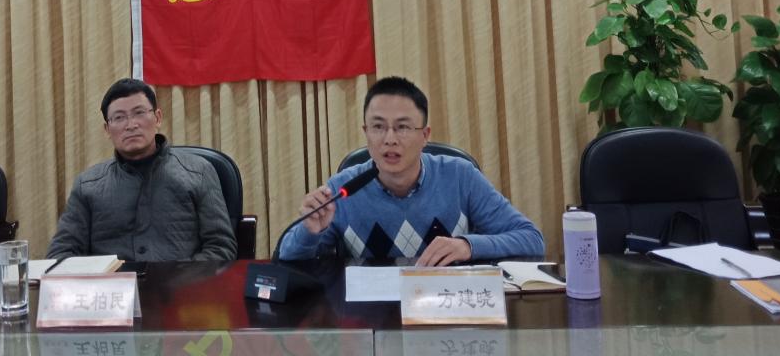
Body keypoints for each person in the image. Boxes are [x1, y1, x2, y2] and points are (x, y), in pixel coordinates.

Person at [278, 76, 544, 265]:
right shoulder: (344, 189)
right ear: (366, 133)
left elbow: (532, 240)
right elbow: (285, 260)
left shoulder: (460, 177)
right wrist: (309, 232)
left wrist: (468, 246)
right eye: (378, 127)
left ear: (425, 135)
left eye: (403, 127)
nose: (390, 139)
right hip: (372, 318)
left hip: (445, 312)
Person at [47, 78, 236, 262]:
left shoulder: (198, 172)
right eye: (119, 117)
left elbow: (220, 248)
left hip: (182, 282)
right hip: (113, 283)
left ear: (158, 118)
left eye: (139, 113)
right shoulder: (88, 185)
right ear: (107, 129)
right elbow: (61, 253)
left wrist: (182, 277)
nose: (131, 125)